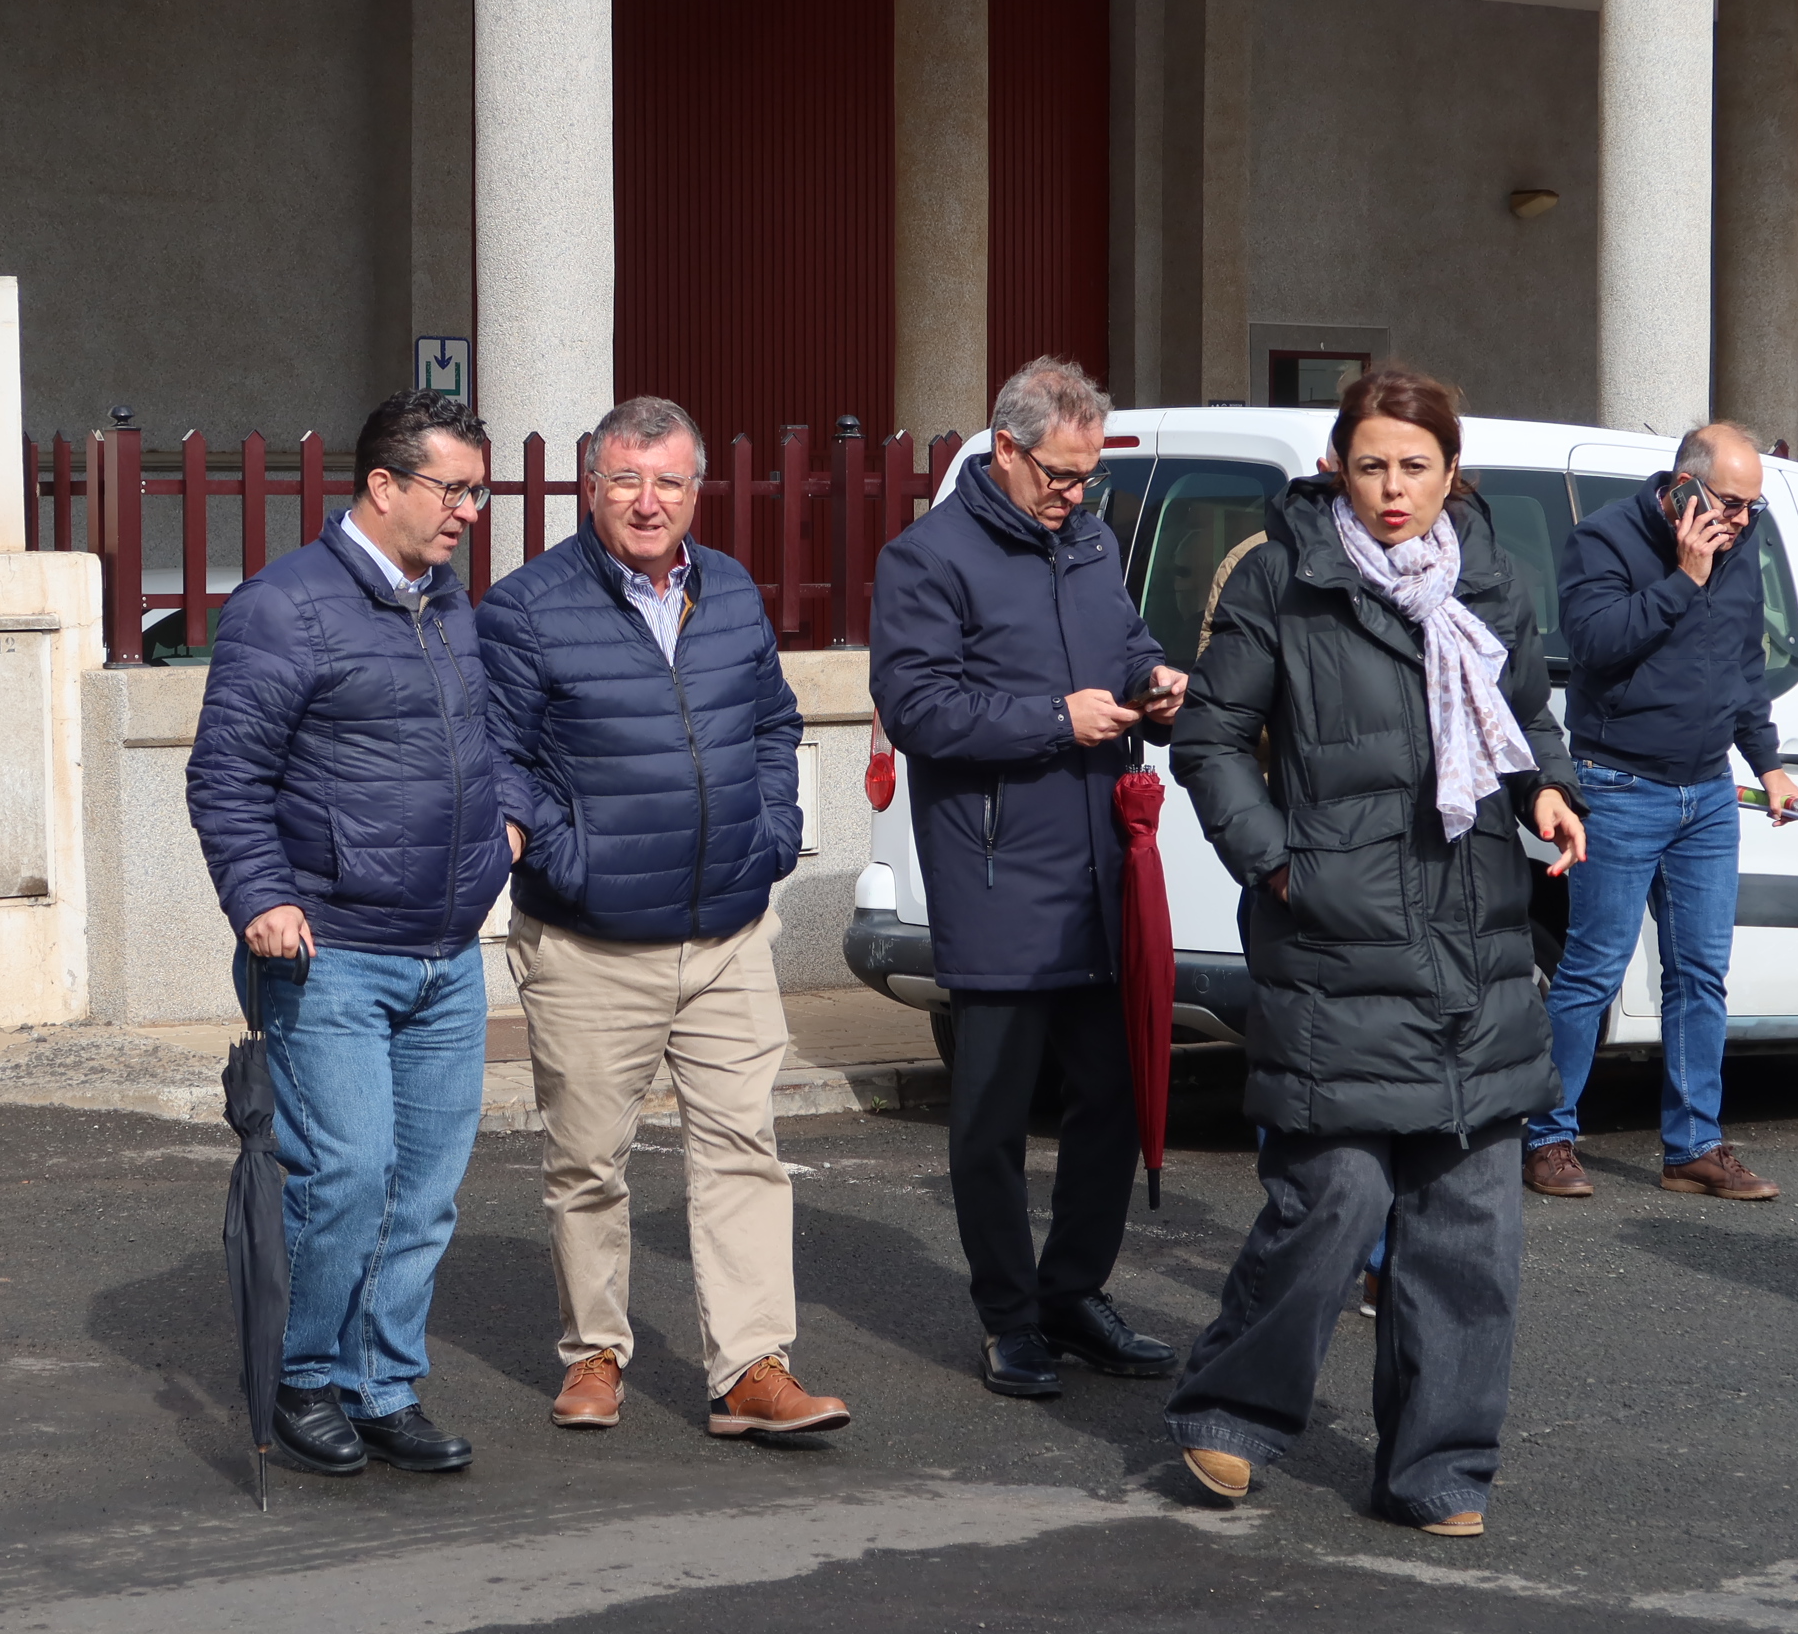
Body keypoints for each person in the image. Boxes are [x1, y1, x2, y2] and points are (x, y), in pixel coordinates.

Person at [1163, 368, 1586, 1534]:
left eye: (1413, 466)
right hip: (1334, 941)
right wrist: (1277, 859)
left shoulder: (1490, 584)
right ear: (1334, 469)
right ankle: (1227, 1417)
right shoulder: (1280, 580)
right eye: (1370, 465)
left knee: (1468, 1234)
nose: (1391, 489)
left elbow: (1529, 714)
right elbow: (1207, 739)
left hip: (1473, 938)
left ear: (1451, 473)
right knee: (1331, 1200)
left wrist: (1547, 789)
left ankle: (1436, 1471)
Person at [475, 395, 851, 1441]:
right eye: (626, 481)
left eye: (668, 482)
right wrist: (572, 857)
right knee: (588, 1161)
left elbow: (771, 721)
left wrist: (773, 832)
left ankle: (750, 1370)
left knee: (742, 1149)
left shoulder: (726, 589)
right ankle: (592, 1353)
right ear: (590, 487)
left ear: (696, 491)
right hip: (592, 943)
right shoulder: (525, 607)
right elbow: (498, 762)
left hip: (727, 933)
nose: (648, 502)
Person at [187, 389, 525, 1479]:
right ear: (384, 486)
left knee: (424, 1189)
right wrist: (260, 898)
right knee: (348, 1173)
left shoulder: (449, 607)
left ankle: (384, 1386)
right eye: (453, 489)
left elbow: (492, 738)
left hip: (444, 950)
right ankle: (305, 1378)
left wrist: (508, 828)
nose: (470, 510)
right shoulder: (284, 608)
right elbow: (226, 777)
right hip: (328, 950)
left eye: (479, 490)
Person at [869, 357, 1188, 1401]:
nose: (1075, 493)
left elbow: (1122, 640)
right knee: (993, 1117)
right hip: (999, 872)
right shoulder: (926, 558)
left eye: (1087, 474)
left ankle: (1073, 1294)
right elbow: (918, 710)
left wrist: (1152, 681)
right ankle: (1008, 1319)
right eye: (1059, 472)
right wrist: (1057, 718)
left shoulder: (1089, 541)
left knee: (1110, 1097)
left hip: (1099, 868)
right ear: (1003, 449)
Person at [1522, 424, 1798, 1203]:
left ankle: (1694, 1146)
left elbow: (1743, 661)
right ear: (1683, 486)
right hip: (1619, 784)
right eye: (1731, 503)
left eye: (1754, 507)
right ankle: (1547, 1136)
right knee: (1591, 972)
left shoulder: (1741, 541)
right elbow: (1595, 644)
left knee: (1699, 974)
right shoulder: (1604, 538)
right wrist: (1685, 574)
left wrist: (1769, 763)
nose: (1743, 522)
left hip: (1709, 791)